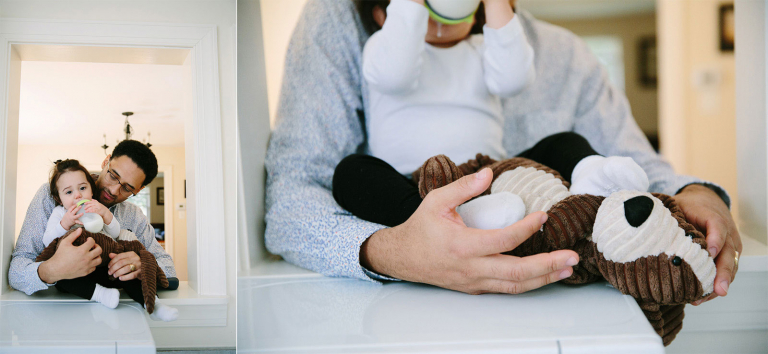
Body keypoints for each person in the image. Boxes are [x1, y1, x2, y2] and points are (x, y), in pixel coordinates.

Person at [265, 0, 740, 303]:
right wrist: (397, 250)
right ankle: (430, 221)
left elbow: (643, 167)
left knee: (567, 146)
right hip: (417, 196)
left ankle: (582, 189)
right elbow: (291, 199)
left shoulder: (560, 55)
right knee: (354, 173)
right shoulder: (345, 22)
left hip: (503, 179)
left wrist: (695, 193)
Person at [332, 0, 649, 230]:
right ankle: (439, 220)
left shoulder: (483, 48)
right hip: (407, 182)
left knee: (563, 142)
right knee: (351, 174)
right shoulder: (379, 48)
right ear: (383, 15)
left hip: (487, 176)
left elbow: (514, 78)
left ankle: (595, 175)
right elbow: (395, 74)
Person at [10, 140, 177, 304]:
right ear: (106, 161)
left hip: (115, 313)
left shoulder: (134, 216)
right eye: (113, 176)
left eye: (127, 188)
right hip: (55, 312)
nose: (113, 190)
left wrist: (143, 265)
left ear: (139, 190)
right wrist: (52, 270)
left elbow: (169, 268)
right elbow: (16, 271)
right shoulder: (51, 194)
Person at [36, 158, 177, 321]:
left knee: (129, 275)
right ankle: (101, 295)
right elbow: (48, 241)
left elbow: (115, 233)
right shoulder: (60, 213)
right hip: (75, 270)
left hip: (105, 264)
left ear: (91, 187)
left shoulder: (95, 207)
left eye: (82, 188)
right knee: (62, 280)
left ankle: (154, 304)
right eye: (69, 192)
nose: (78, 195)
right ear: (59, 199)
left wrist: (106, 215)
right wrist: (65, 224)